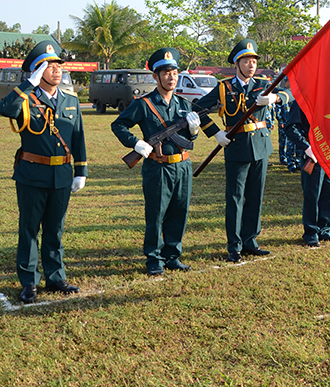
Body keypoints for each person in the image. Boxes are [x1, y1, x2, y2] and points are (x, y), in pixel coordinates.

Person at [0, 40, 87, 304]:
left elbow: (79, 138)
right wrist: (28, 84)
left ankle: (55, 276)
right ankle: (28, 281)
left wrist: (80, 171)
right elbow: (4, 109)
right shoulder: (26, 99)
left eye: (59, 65)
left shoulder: (70, 101)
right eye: (49, 66)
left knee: (54, 229)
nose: (57, 70)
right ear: (37, 71)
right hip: (32, 174)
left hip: (61, 174)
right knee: (29, 229)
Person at [112, 48, 200, 275]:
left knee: (180, 211)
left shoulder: (184, 104)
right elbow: (118, 125)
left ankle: (172, 256)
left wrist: (193, 130)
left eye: (174, 72)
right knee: (156, 214)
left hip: (182, 165)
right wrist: (135, 143)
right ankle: (154, 259)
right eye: (166, 73)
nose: (171, 77)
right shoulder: (144, 104)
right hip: (158, 166)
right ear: (156, 76)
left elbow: (189, 138)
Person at [192, 39, 277, 262]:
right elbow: (197, 108)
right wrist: (215, 133)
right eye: (246, 61)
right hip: (236, 147)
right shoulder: (224, 87)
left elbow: (287, 95)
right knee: (235, 197)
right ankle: (235, 246)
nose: (251, 65)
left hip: (261, 145)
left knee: (256, 196)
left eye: (254, 61)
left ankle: (250, 241)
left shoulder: (262, 84)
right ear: (237, 64)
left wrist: (274, 98)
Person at [284, 103, 330, 247]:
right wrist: (307, 148)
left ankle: (324, 229)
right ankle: (311, 232)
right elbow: (291, 128)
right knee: (312, 194)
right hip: (313, 154)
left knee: (329, 191)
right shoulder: (303, 98)